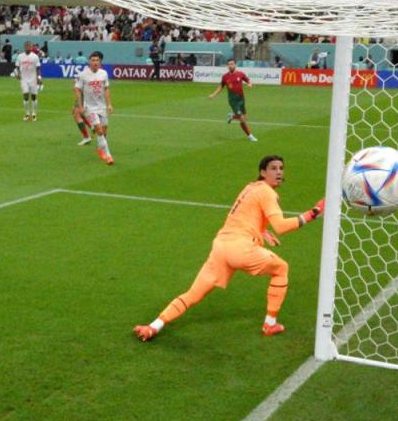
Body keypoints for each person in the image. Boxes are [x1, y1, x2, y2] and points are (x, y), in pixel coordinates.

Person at [134, 155, 324, 340]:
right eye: (273, 168)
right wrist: (314, 212)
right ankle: (270, 324)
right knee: (281, 268)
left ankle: (153, 327)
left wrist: (262, 231)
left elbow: (242, 214)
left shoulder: (251, 187)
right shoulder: (267, 192)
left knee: (193, 294)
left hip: (221, 246)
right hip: (241, 249)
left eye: (281, 168)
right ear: (263, 172)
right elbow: (282, 227)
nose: (279, 172)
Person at [73, 51, 114, 165]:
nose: (95, 62)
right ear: (89, 62)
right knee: (99, 130)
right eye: (93, 60)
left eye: (97, 60)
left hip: (101, 107)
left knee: (104, 132)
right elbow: (77, 90)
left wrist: (109, 104)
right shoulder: (83, 75)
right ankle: (108, 156)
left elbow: (106, 89)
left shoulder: (104, 74)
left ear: (100, 62)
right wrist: (80, 106)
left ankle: (100, 148)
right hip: (89, 108)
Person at [209, 59, 257, 142]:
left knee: (244, 117)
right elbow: (221, 86)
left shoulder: (240, 74)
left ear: (235, 65)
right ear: (227, 66)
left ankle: (231, 116)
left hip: (241, 99)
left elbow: (248, 80)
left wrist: (250, 84)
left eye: (232, 64)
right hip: (233, 100)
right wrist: (214, 94)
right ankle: (250, 136)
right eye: (229, 64)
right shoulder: (225, 76)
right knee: (242, 118)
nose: (230, 66)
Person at [15, 41, 41, 121]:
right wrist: (18, 74)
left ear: (31, 47)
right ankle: (26, 113)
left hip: (33, 79)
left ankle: (33, 113)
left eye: (29, 46)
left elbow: (38, 68)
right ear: (24, 47)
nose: (28, 48)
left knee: (33, 96)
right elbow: (17, 66)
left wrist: (39, 77)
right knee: (25, 95)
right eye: (26, 46)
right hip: (24, 79)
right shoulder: (20, 56)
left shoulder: (35, 57)